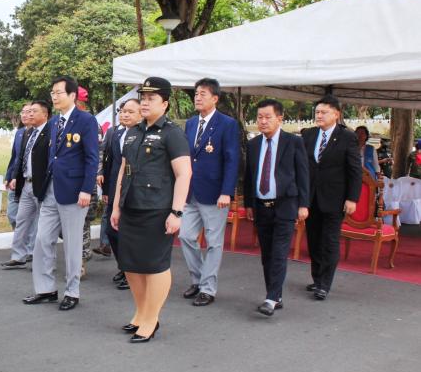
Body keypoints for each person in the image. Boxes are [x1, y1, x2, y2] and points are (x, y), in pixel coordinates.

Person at [110, 77, 191, 342]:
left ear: (165, 103)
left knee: (154, 266)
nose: (145, 102)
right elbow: (124, 169)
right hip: (131, 206)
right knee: (131, 265)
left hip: (157, 209)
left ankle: (151, 319)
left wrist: (176, 212)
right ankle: (141, 312)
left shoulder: (172, 133)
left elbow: (184, 174)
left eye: (151, 98)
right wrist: (116, 206)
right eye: (143, 98)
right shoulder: (133, 131)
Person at [22, 76, 99, 311]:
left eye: (59, 92)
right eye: (52, 93)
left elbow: (91, 158)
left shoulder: (86, 121)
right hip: (51, 190)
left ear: (72, 95)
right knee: (43, 239)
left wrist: (87, 189)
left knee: (72, 244)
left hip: (75, 192)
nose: (54, 96)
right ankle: (45, 289)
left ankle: (72, 291)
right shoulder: (54, 123)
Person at [244, 99, 309, 317]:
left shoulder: (293, 142)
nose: (262, 121)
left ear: (280, 119)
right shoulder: (253, 145)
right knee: (267, 255)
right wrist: (249, 204)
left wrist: (303, 204)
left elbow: (303, 175)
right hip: (262, 207)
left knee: (280, 252)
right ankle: (276, 294)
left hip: (286, 205)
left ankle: (271, 298)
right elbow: (249, 177)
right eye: (259, 117)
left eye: (267, 117)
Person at [178, 78, 240, 307]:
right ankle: (198, 279)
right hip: (191, 191)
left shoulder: (227, 124)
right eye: (196, 93)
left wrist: (227, 192)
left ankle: (208, 288)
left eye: (203, 93)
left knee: (213, 242)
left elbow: (232, 160)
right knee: (185, 235)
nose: (197, 97)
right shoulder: (191, 123)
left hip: (215, 193)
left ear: (215, 98)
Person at [301, 95, 361, 301]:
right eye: (317, 112)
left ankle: (325, 284)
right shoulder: (308, 135)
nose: (319, 115)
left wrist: (352, 198)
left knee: (329, 241)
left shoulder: (347, 137)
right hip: (310, 198)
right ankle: (317, 278)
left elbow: (354, 170)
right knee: (314, 240)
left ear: (336, 114)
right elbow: (303, 167)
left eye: (323, 112)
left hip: (335, 199)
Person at [0, 100, 51, 269]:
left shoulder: (51, 132)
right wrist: (14, 176)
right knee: (20, 219)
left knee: (40, 222)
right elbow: (19, 157)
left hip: (41, 184)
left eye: (33, 111)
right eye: (26, 112)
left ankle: (36, 255)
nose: (28, 115)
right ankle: (18, 256)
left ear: (45, 114)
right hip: (25, 183)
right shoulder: (27, 133)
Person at [99, 98, 142, 290]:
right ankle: (124, 267)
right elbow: (110, 162)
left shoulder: (144, 134)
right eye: (123, 111)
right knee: (111, 231)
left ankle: (133, 272)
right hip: (115, 190)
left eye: (130, 112)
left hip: (135, 191)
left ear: (141, 114)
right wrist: (107, 188)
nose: (125, 115)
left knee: (130, 234)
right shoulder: (115, 133)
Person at [75, 85, 103, 277]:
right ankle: (82, 253)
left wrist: (95, 176)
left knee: (82, 223)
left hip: (86, 182)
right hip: (68, 182)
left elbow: (96, 155)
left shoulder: (90, 122)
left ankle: (80, 262)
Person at [5, 105, 32, 230]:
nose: (24, 115)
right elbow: (14, 157)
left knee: (26, 216)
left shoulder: (38, 133)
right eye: (23, 112)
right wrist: (9, 176)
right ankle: (19, 237)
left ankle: (24, 242)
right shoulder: (20, 133)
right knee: (12, 214)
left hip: (27, 180)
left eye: (28, 112)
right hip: (14, 180)